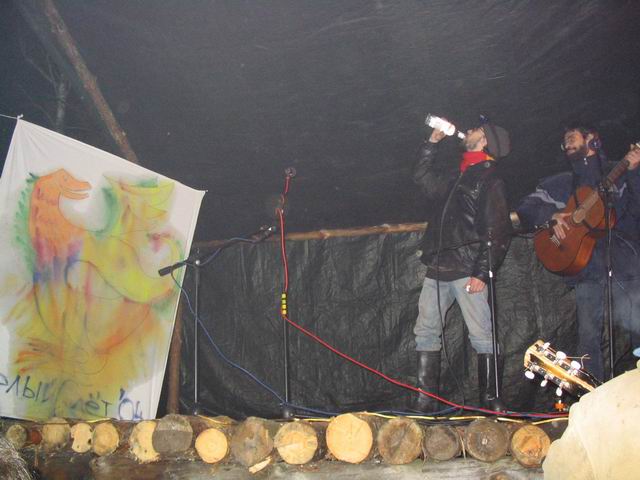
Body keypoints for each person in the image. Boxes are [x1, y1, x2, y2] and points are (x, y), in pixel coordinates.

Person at [516, 124, 640, 381]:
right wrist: (550, 216)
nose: (567, 144)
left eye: (572, 137)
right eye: (565, 141)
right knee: (588, 336)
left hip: (624, 265)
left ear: (592, 139)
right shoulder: (560, 182)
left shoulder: (618, 173)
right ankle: (592, 389)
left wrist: (634, 172)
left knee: (637, 324)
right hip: (585, 269)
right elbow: (526, 207)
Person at [412, 118, 512, 411]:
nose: (468, 131)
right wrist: (431, 144)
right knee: (425, 331)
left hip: (467, 269)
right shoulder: (458, 175)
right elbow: (422, 178)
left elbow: (497, 229)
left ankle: (490, 404)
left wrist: (482, 271)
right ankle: (425, 404)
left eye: (476, 130)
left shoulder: (489, 178)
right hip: (439, 266)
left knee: (482, 336)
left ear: (485, 141)